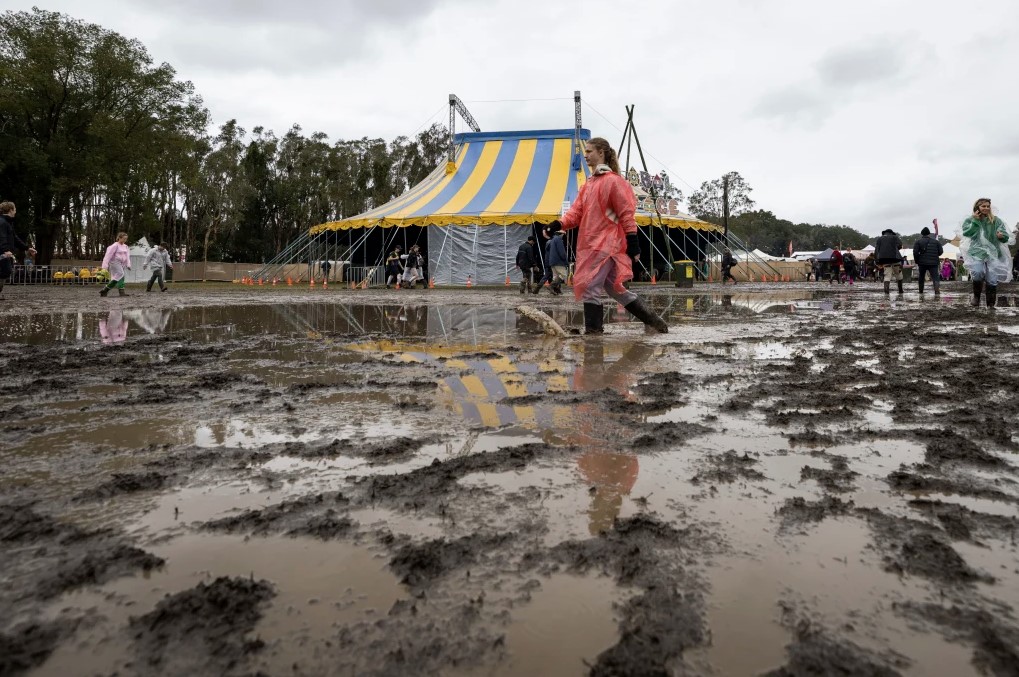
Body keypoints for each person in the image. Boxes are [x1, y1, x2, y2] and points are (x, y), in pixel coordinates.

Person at [556, 137, 668, 334]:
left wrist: (633, 241)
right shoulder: (589, 185)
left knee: (591, 286)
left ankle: (593, 334)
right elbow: (576, 213)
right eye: (585, 152)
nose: (586, 155)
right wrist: (559, 223)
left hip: (607, 245)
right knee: (614, 288)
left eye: (590, 151)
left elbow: (626, 213)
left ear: (601, 152)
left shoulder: (615, 182)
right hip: (591, 244)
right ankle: (655, 322)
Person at [961, 197, 1012, 307]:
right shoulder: (970, 220)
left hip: (993, 253)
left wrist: (1001, 236)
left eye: (988, 206)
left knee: (992, 278)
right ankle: (976, 297)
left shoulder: (996, 220)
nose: (986, 208)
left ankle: (991, 303)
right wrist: (975, 221)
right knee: (978, 273)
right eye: (983, 206)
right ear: (977, 207)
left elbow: (1005, 237)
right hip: (976, 252)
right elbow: (967, 233)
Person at [0, 202, 37, 298]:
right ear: (10, 210)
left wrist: (27, 248)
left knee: (6, 271)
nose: (15, 212)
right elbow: (2, 237)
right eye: (15, 209)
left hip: (5, 252)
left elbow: (15, 238)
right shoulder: (2, 222)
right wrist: (5, 250)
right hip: (2, 253)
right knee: (5, 270)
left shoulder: (8, 223)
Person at [99, 232, 132, 297]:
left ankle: (110, 291)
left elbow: (127, 256)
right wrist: (105, 266)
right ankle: (106, 289)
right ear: (119, 238)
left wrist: (128, 264)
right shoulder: (115, 246)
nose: (125, 240)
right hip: (115, 262)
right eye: (124, 239)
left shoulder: (126, 246)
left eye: (126, 239)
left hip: (122, 263)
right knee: (121, 274)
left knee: (121, 276)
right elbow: (108, 255)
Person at [913, 227, 943, 296]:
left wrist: (917, 261)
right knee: (935, 277)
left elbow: (915, 253)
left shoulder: (918, 242)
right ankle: (937, 290)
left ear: (922, 234)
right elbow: (941, 252)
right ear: (929, 233)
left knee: (921, 276)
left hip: (922, 262)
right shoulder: (936, 242)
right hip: (934, 262)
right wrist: (935, 255)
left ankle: (921, 291)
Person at [874, 228, 904, 295]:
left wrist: (877, 261)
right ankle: (900, 290)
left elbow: (876, 250)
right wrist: (895, 248)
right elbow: (900, 245)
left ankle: (886, 291)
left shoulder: (879, 239)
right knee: (898, 273)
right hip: (895, 258)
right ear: (891, 233)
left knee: (887, 275)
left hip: (884, 259)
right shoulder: (895, 237)